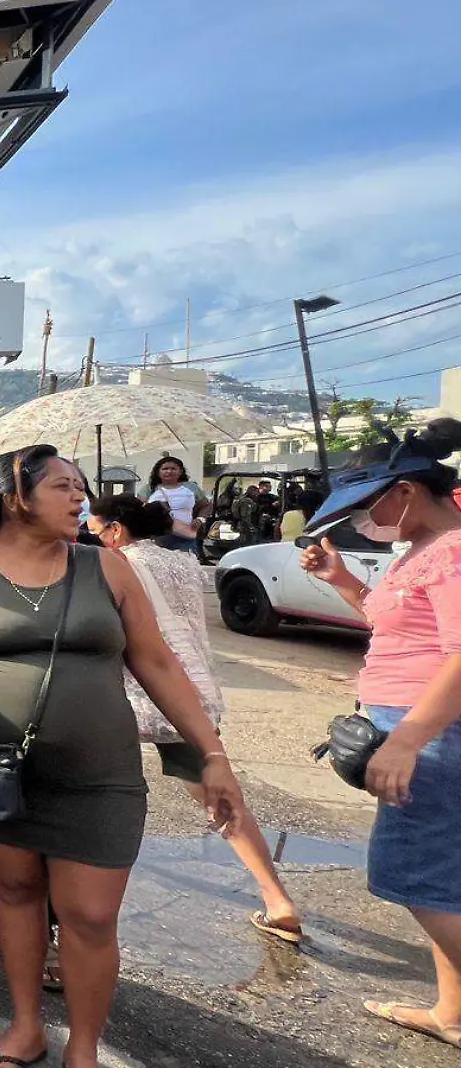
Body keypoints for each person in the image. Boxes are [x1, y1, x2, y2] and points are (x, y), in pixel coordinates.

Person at [0, 444, 245, 1068]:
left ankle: (85, 1051)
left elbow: (156, 662)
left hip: (100, 776)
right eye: (64, 486)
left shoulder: (108, 569)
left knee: (90, 916)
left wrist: (212, 753)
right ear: (16, 497)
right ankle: (25, 1029)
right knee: (15, 895)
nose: (80, 499)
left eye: (81, 487)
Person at [295, 418, 461, 1050]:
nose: (365, 516)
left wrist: (407, 739)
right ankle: (452, 1012)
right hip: (413, 720)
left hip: (432, 730)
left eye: (370, 502)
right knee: (444, 879)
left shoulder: (450, 553)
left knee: (410, 872)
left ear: (407, 494)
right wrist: (341, 580)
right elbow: (396, 629)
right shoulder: (423, 550)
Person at [88, 494, 303, 941]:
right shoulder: (183, 564)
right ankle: (275, 896)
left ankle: (81, 898)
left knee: (91, 793)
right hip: (193, 688)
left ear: (116, 530)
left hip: (133, 689)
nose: (89, 532)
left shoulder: (113, 566)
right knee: (219, 793)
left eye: (95, 525)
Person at [146, 455, 207, 552]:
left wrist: (200, 519)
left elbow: (206, 505)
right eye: (165, 469)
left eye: (173, 468)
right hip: (158, 537)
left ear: (181, 471)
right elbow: (140, 509)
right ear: (158, 472)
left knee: (186, 564)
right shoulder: (149, 489)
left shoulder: (191, 487)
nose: (169, 471)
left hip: (186, 534)